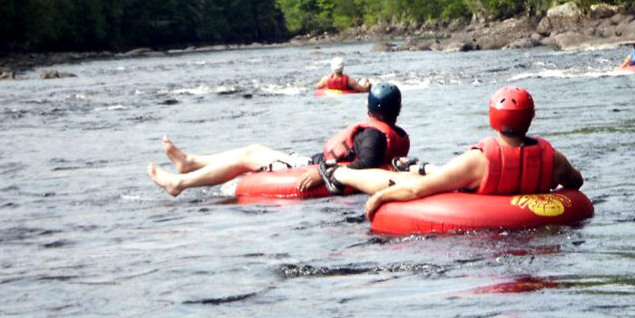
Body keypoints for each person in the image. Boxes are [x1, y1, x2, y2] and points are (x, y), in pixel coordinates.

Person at [316, 86, 585, 220]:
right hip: (509, 205)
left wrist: (380, 198)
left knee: (405, 181)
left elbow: (416, 192)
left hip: (473, 192)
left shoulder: (478, 160)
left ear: (493, 118)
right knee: (442, 175)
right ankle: (420, 167)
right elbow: (576, 182)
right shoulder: (554, 159)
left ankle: (338, 173)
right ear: (531, 117)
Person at [147, 83, 410, 196]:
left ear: (370, 108)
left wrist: (323, 173)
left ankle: (179, 183)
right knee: (254, 149)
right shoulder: (384, 132)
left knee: (248, 156)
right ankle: (190, 162)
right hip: (313, 164)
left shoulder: (373, 134)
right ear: (395, 110)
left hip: (310, 169)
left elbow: (366, 165)